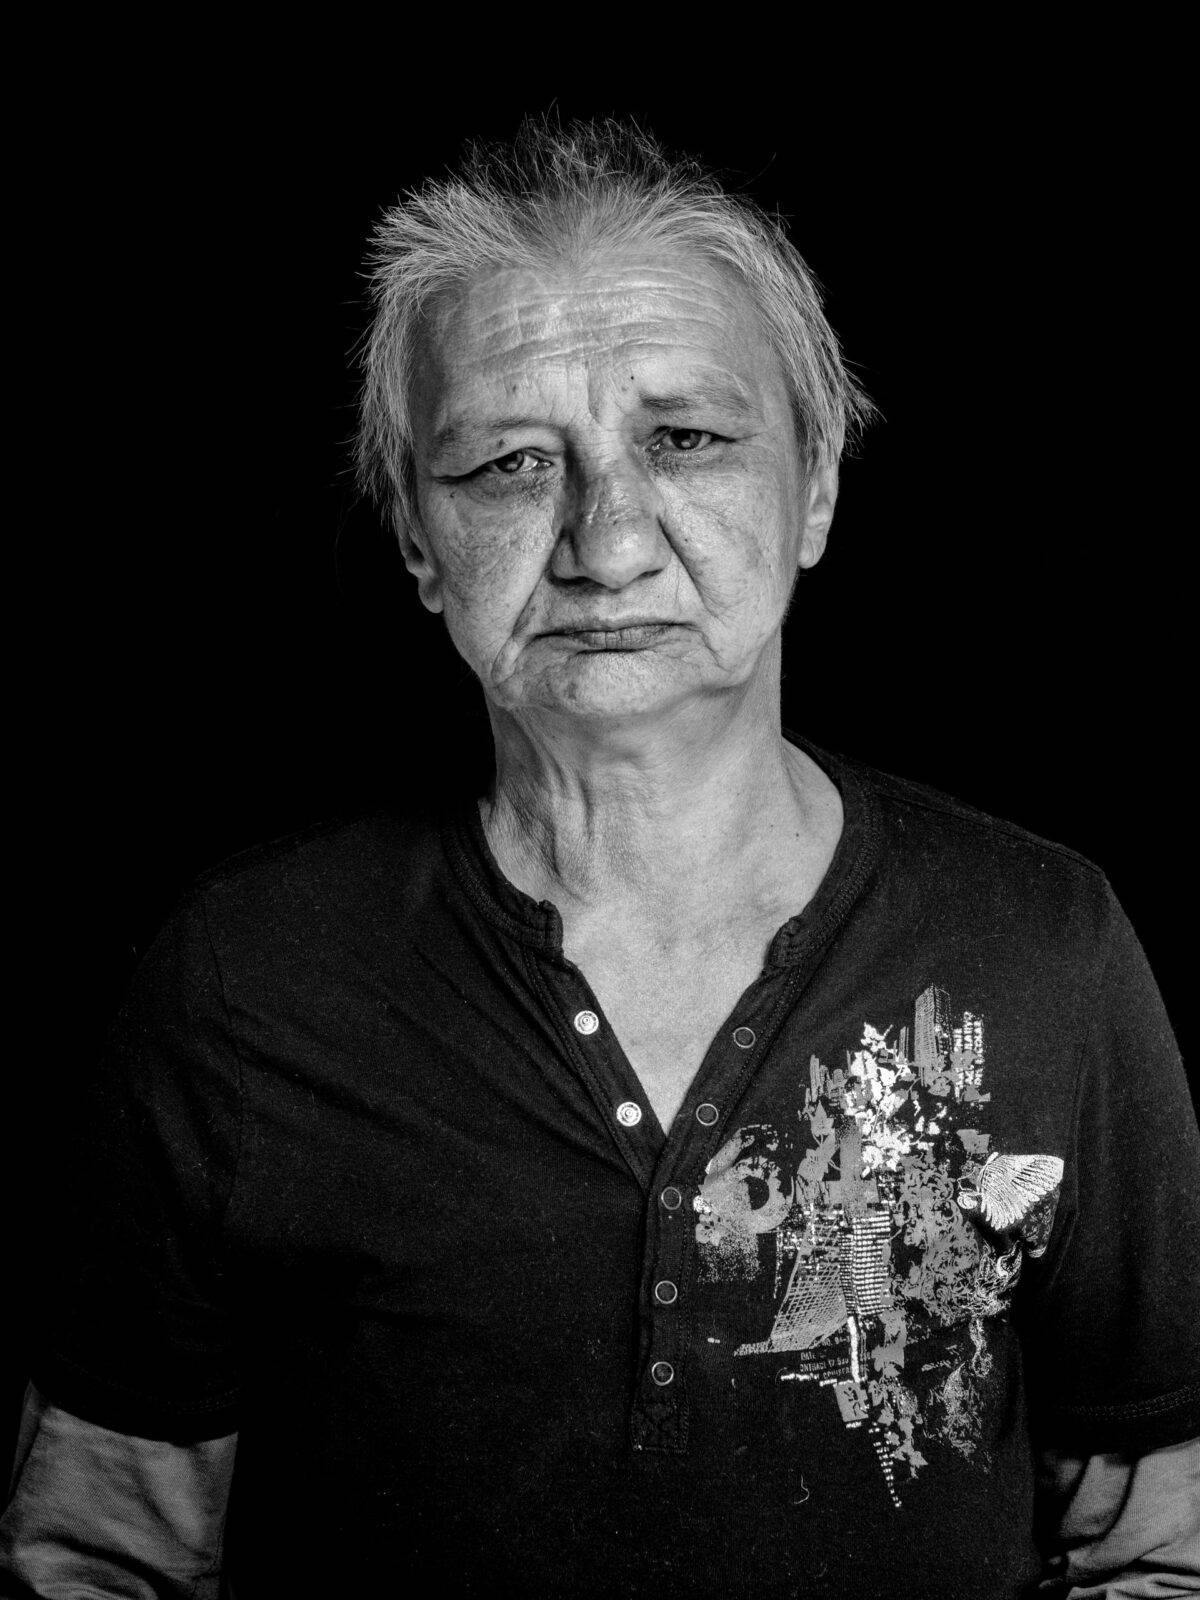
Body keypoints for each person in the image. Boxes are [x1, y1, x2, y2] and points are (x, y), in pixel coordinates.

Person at [3, 118, 1198, 1599]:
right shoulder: (247, 981)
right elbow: (97, 1561)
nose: (608, 541)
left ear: (815, 490)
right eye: (511, 465)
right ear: (417, 539)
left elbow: (1161, 1551)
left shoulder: (1042, 943)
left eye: (685, 440)